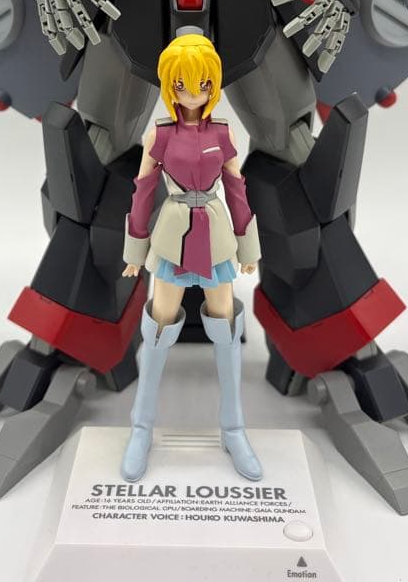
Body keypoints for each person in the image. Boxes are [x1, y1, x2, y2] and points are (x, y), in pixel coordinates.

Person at [120, 30, 262, 481]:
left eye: (202, 84)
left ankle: (233, 428)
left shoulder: (223, 133)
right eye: (182, 84)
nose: (193, 93)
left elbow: (237, 189)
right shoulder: (159, 136)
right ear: (170, 85)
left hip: (215, 235)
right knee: (159, 329)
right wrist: (135, 249)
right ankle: (141, 428)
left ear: (213, 84)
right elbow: (142, 193)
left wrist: (248, 246)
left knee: (226, 327)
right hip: (173, 236)